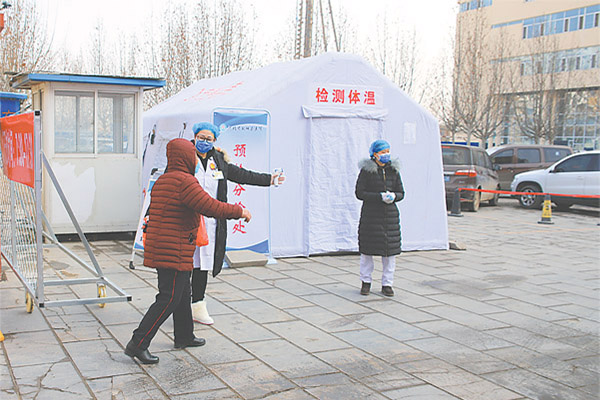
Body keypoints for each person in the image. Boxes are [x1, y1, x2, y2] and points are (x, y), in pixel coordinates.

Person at [125, 138, 251, 364]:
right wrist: (239, 211)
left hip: (167, 245)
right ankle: (138, 343)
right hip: (173, 248)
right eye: (192, 155)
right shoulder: (185, 181)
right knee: (168, 297)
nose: (194, 159)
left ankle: (184, 336)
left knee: (183, 292)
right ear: (185, 157)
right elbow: (210, 206)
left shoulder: (165, 179)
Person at [190, 122, 284, 324]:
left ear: (215, 141)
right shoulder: (185, 157)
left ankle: (197, 305)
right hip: (188, 219)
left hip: (211, 221)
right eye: (201, 137)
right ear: (194, 137)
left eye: (209, 139)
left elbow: (242, 175)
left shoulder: (218, 160)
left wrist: (269, 179)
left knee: (202, 264)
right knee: (183, 265)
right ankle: (179, 307)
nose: (204, 142)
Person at [355, 139, 404, 297]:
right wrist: (379, 197)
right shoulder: (367, 171)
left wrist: (394, 196)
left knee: (389, 254)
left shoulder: (393, 171)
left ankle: (387, 284)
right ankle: (366, 282)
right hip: (371, 217)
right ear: (374, 154)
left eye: (387, 151)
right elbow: (360, 193)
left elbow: (401, 192)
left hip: (390, 218)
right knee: (367, 252)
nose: (386, 155)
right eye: (382, 152)